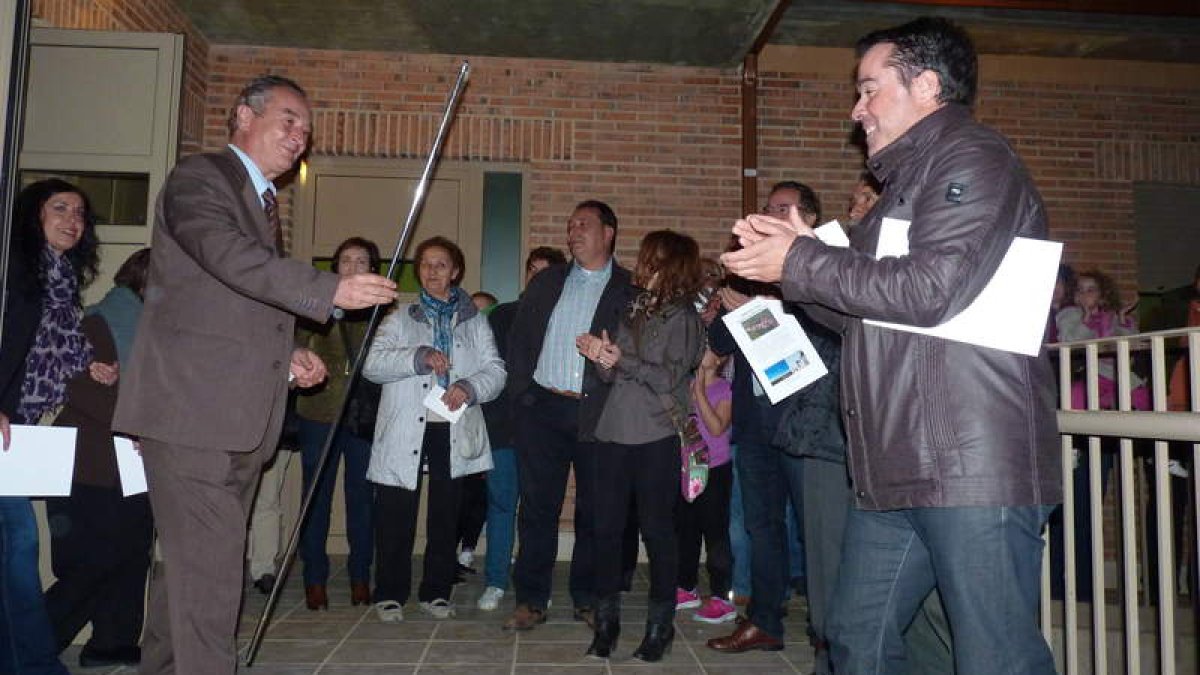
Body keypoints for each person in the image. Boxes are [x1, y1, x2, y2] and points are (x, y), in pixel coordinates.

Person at [721, 17, 1061, 674]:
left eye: (869, 89)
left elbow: (932, 288)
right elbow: (862, 310)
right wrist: (803, 258)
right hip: (898, 467)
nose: (857, 110)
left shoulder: (974, 158)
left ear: (927, 85)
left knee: (996, 657)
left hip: (971, 467)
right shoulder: (900, 191)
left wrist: (800, 261)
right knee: (855, 636)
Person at [112, 75, 398, 674]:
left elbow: (230, 300)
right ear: (244, 115)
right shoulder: (202, 180)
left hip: (237, 421)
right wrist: (330, 288)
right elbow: (225, 254)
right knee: (214, 587)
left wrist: (287, 352)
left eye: (307, 128)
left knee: (189, 579)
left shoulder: (263, 202)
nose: (301, 136)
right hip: (195, 420)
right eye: (289, 120)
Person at [502, 200, 637, 631]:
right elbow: (520, 341)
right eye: (570, 225)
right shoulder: (547, 282)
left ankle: (588, 598)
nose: (574, 232)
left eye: (584, 225)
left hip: (598, 411)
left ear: (609, 233)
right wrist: (522, 396)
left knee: (596, 510)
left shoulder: (630, 288)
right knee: (538, 507)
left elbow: (636, 353)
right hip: (542, 408)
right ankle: (530, 600)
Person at [577, 229, 705, 661]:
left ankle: (659, 627)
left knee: (657, 531)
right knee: (607, 529)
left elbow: (670, 377)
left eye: (649, 257)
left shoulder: (684, 317)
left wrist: (620, 360)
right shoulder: (632, 306)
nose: (641, 263)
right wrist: (601, 355)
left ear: (669, 265)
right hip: (613, 430)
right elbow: (612, 374)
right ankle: (607, 624)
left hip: (656, 433)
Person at [364, 236, 505, 622]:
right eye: (426, 264)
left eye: (441, 264)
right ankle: (390, 592)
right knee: (396, 512)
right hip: (406, 426)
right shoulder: (399, 317)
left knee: (446, 514)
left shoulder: (475, 322)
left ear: (455, 271)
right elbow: (372, 364)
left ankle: (436, 592)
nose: (432, 271)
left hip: (453, 425)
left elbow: (496, 370)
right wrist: (417, 357)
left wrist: (469, 387)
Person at [707, 181, 820, 654]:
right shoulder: (753, 272)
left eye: (781, 208)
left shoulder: (824, 269)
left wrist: (763, 311)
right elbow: (718, 343)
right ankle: (766, 622)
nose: (769, 214)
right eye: (767, 208)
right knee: (761, 526)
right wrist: (736, 311)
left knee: (817, 530)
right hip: (755, 424)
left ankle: (829, 628)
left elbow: (823, 345)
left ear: (807, 219)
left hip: (808, 423)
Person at [1, 178, 106, 675]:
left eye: (80, 213)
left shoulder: (58, 280)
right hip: (5, 423)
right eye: (60, 208)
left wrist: (91, 367)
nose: (72, 219)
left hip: (18, 429)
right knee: (18, 553)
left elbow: (52, 349)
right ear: (32, 216)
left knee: (15, 553)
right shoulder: (15, 272)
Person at [44, 248, 152, 669]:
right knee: (92, 564)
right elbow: (79, 387)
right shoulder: (97, 321)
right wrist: (136, 424)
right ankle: (28, 643)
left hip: (136, 465)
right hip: (90, 461)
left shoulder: (158, 329)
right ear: (143, 281)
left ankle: (112, 644)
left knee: (131, 556)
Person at [293, 236, 384, 610]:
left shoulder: (383, 313)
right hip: (318, 414)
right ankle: (314, 578)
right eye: (345, 260)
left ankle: (360, 575)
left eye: (361, 261)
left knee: (362, 500)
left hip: (362, 420)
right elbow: (292, 352)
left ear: (372, 269)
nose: (352, 267)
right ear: (335, 268)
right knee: (316, 500)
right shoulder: (314, 309)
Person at [476, 246, 566, 611]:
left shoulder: (566, 320)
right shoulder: (502, 315)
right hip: (504, 425)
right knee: (501, 504)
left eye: (546, 273)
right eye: (533, 270)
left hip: (547, 429)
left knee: (539, 509)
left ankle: (532, 586)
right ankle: (496, 580)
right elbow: (488, 368)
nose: (536, 278)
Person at [674, 348, 736, 624]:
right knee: (685, 530)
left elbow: (717, 427)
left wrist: (699, 391)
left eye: (709, 348)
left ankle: (722, 597)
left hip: (715, 469)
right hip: (689, 467)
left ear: (721, 359)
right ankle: (687, 588)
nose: (701, 351)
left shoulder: (725, 389)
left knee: (715, 534)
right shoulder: (683, 384)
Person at [1056, 269, 1149, 410]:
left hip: (1118, 374)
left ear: (1102, 296)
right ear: (1074, 295)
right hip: (1087, 373)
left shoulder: (1113, 317)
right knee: (1077, 395)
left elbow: (1131, 345)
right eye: (1079, 290)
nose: (1084, 294)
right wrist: (1085, 318)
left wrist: (1122, 318)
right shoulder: (1069, 315)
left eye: (1090, 290)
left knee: (1140, 396)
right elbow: (1068, 341)